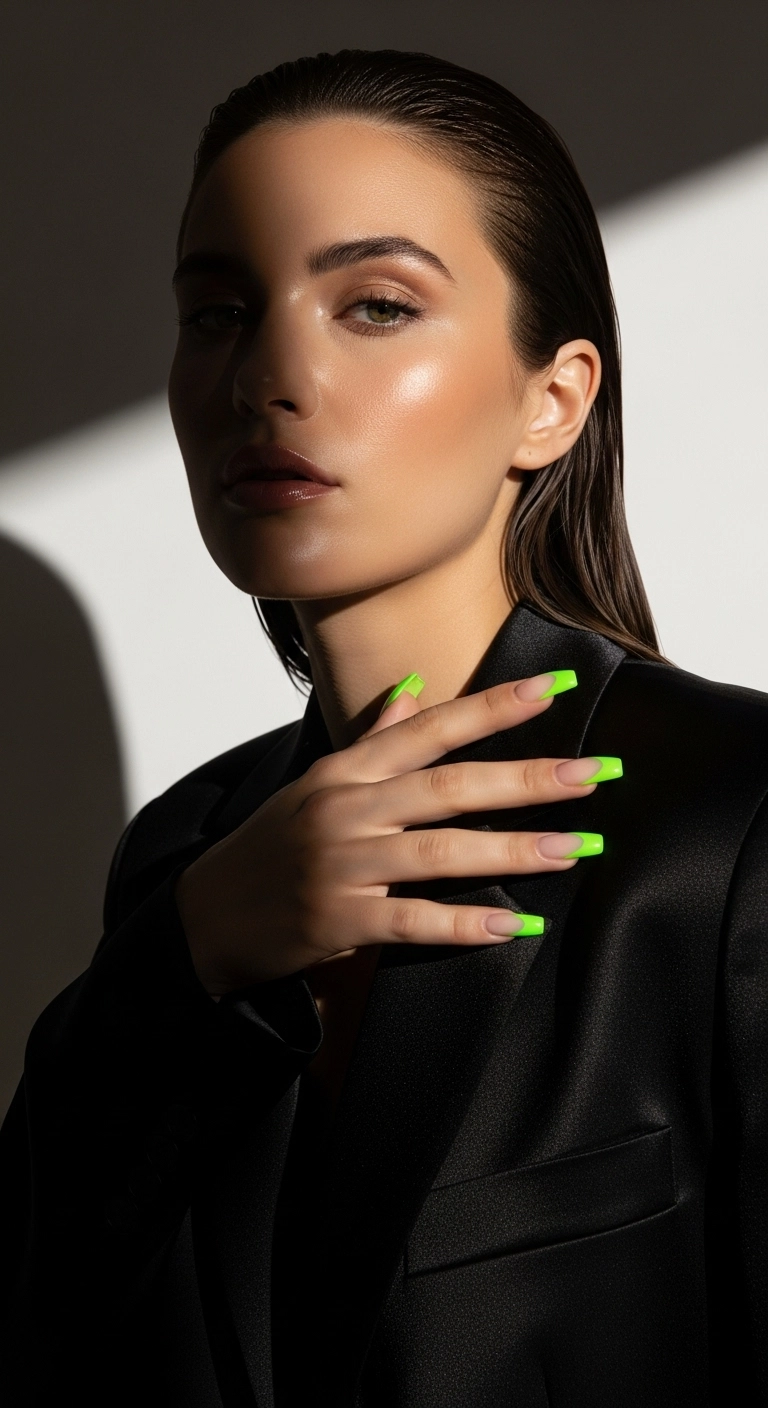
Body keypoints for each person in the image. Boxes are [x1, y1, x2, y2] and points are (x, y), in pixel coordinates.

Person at [1, 48, 766, 1408]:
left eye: (375, 304)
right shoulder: (188, 861)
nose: (270, 377)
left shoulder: (731, 823)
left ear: (554, 398)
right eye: (220, 311)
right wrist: (186, 962)